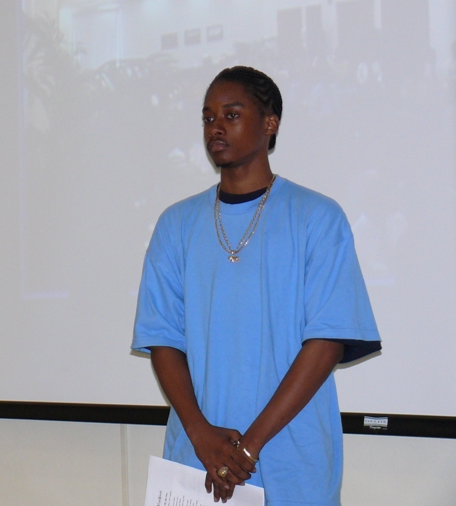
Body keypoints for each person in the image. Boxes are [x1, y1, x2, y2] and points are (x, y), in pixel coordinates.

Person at [131, 67, 381, 505]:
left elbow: (326, 343)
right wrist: (200, 434)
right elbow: (163, 340)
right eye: (208, 118)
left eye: (231, 114)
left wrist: (249, 446)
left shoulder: (317, 218)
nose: (216, 127)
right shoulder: (176, 225)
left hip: (292, 465)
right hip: (197, 463)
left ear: (270, 124)